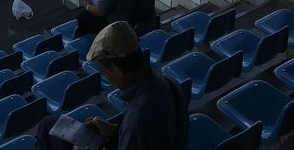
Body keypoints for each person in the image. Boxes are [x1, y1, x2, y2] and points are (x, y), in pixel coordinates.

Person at [36, 22, 188, 150]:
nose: (106, 76)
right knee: (49, 124)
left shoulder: (136, 121)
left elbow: (139, 134)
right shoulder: (168, 84)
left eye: (104, 70)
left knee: (47, 132)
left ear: (117, 69)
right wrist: (114, 132)